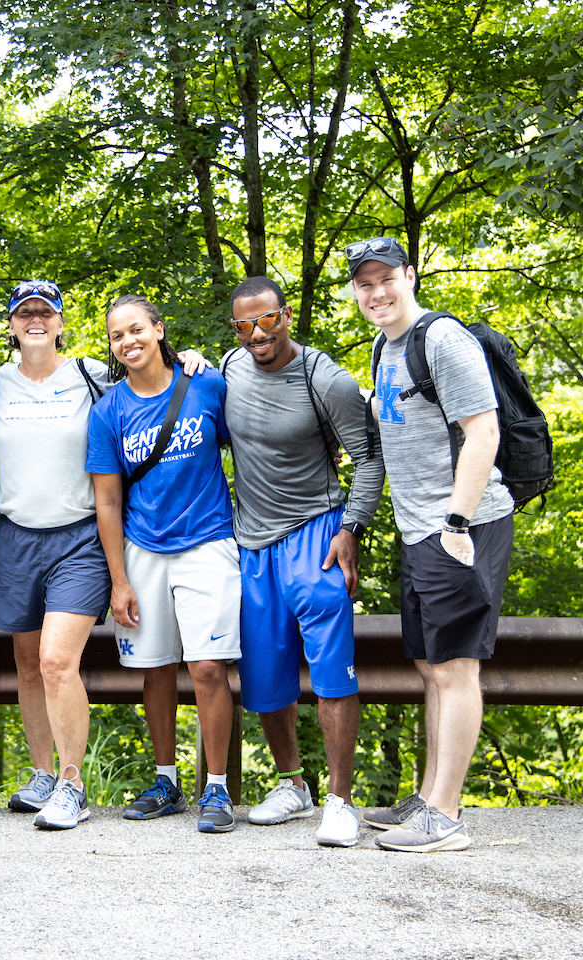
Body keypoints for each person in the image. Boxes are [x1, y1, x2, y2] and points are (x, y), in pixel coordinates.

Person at [346, 237, 513, 852]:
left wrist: (457, 524)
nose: (376, 293)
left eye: (386, 279)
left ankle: (446, 816)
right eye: (364, 284)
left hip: (460, 527)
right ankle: (429, 795)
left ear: (409, 275)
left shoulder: (443, 340)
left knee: (455, 666)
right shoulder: (384, 347)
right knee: (428, 665)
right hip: (419, 529)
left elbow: (484, 432)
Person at [221, 276, 384, 848]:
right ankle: (293, 786)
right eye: (243, 324)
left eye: (266, 320)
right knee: (264, 677)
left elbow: (368, 457)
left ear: (286, 315)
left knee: (331, 669)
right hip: (252, 544)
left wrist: (350, 530)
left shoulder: (326, 379)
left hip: (316, 534)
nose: (256, 333)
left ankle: (340, 802)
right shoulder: (230, 369)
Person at [87, 295, 242, 833]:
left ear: (157, 330)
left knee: (206, 667)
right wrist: (119, 580)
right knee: (155, 669)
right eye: (116, 336)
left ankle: (217, 789)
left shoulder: (205, 385)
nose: (127, 342)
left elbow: (246, 448)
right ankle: (167, 782)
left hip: (207, 542)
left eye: (136, 330)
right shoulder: (109, 411)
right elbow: (107, 501)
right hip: (142, 549)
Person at [0, 280, 113, 830]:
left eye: (45, 312)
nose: (35, 319)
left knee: (57, 661)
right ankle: (41, 774)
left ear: (61, 322)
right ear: (12, 325)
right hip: (15, 536)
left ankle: (71, 784)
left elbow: (154, 385)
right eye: (24, 313)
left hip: (80, 537)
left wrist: (191, 359)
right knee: (27, 665)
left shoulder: (91, 377)